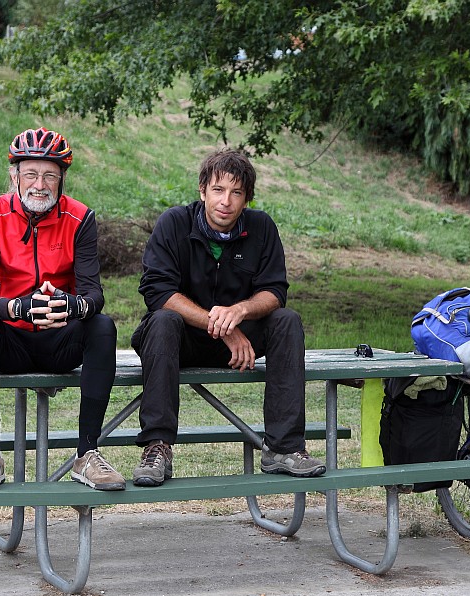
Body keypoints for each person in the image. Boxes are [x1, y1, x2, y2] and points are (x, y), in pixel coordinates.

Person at [130, 147, 325, 487]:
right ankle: (156, 447)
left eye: (237, 193)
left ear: (247, 198)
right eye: (218, 190)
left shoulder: (261, 227)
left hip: (241, 344)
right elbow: (158, 293)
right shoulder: (174, 223)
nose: (226, 201)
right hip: (182, 340)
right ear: (202, 190)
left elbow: (275, 291)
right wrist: (218, 326)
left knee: (287, 320)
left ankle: (284, 448)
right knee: (163, 320)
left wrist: (240, 311)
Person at [0, 127, 125, 491]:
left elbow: (94, 296)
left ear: (62, 179)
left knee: (102, 326)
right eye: (31, 173)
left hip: (59, 342)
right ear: (14, 176)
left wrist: (71, 306)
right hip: (13, 342)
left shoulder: (81, 218)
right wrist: (18, 308)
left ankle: (88, 454)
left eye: (50, 175)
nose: (41, 183)